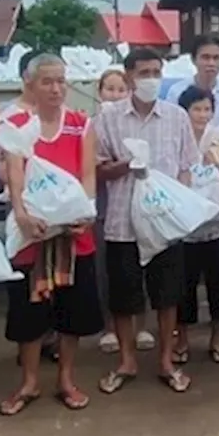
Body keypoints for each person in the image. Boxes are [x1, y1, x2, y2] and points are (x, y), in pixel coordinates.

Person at [0, 53, 103, 415]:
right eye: (47, 81)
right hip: (33, 235)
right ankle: (28, 382)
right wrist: (22, 214)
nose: (56, 88)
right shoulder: (17, 124)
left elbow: (88, 173)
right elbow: (14, 173)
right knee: (29, 314)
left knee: (71, 313)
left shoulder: (80, 123)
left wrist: (85, 213)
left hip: (73, 234)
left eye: (61, 80)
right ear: (30, 84)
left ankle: (66, 378)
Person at [93, 48, 199, 395]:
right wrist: (127, 165)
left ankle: (166, 360)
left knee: (168, 296)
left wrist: (180, 204)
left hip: (165, 225)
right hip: (122, 223)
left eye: (156, 72)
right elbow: (98, 169)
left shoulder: (176, 116)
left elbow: (186, 166)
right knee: (124, 297)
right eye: (143, 73)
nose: (150, 79)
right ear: (127, 77)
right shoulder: (107, 119)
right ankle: (126, 360)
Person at [91, 70, 158, 356]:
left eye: (120, 89)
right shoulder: (96, 123)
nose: (115, 94)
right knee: (109, 273)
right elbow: (95, 167)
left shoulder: (141, 123)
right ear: (100, 92)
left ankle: (141, 326)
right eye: (110, 89)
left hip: (143, 207)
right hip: (107, 210)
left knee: (141, 270)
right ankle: (110, 329)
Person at [174, 85, 219, 364]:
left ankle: (217, 339)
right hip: (185, 227)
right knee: (183, 287)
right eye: (196, 109)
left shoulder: (218, 137)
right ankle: (182, 339)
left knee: (218, 285)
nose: (202, 115)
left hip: (216, 224)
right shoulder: (175, 138)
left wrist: (215, 163)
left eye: (207, 109)